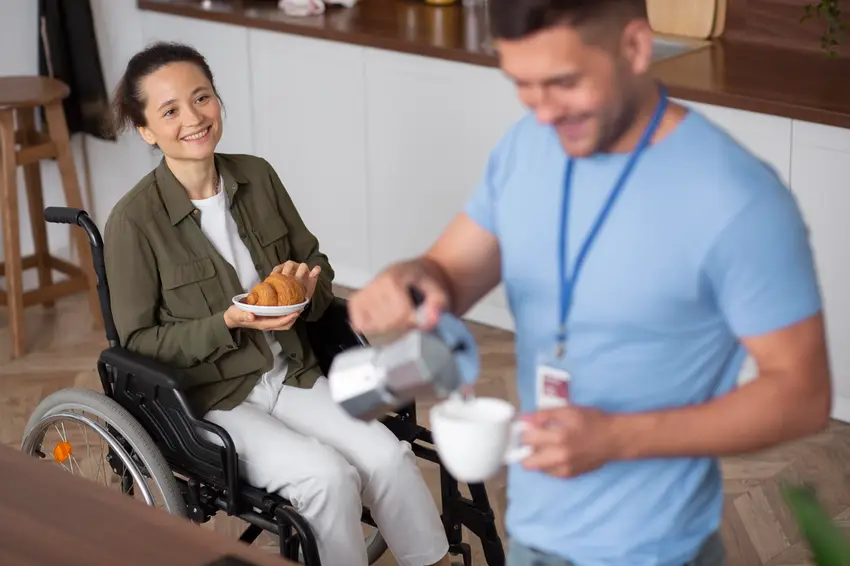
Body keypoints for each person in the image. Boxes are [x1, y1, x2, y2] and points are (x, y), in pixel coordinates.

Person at [347, 1, 833, 565]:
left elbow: (802, 394)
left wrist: (616, 437)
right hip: (533, 528)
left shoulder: (737, 197)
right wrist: (412, 278)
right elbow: (448, 275)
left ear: (634, 48)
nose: (544, 112)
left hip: (655, 550)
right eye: (522, 85)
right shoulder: (526, 147)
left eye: (564, 82)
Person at [102, 42, 451, 566]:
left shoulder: (257, 177)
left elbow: (315, 262)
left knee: (389, 457)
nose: (193, 118)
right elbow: (139, 347)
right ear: (147, 129)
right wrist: (227, 322)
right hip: (213, 399)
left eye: (202, 98)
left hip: (291, 373)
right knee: (326, 477)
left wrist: (307, 287)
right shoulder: (132, 223)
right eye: (170, 110)